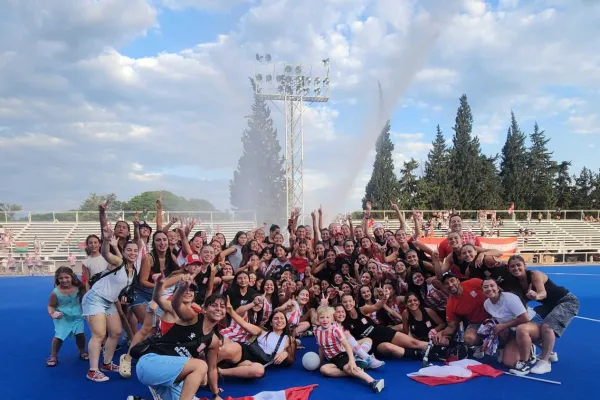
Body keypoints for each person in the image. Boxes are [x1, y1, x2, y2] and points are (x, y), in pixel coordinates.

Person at [132, 275, 224, 400]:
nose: (218, 309)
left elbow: (213, 369)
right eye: (214, 305)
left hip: (173, 374)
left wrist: (216, 395)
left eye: (222, 307)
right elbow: (176, 304)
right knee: (201, 366)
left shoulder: (213, 340)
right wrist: (181, 288)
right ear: (204, 309)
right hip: (151, 362)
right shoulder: (193, 317)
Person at [506, 255, 579, 374]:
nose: (516, 268)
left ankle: (545, 362)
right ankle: (550, 354)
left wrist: (536, 296)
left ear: (525, 266)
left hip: (565, 301)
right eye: (512, 266)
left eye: (518, 265)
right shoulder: (517, 283)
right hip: (548, 306)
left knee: (547, 326)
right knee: (527, 324)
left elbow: (542, 293)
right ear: (508, 269)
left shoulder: (535, 275)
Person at [315, 306, 384, 393]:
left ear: (332, 319)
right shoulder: (317, 331)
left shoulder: (335, 330)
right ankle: (353, 370)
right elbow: (321, 348)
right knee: (324, 370)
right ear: (317, 319)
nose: (325, 320)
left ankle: (373, 381)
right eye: (322, 317)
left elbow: (347, 345)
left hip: (342, 355)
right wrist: (320, 363)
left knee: (349, 367)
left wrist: (351, 360)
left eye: (327, 317)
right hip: (332, 360)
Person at [480, 277, 537, 375]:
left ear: (498, 288)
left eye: (492, 286)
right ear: (482, 290)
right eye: (485, 287)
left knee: (517, 329)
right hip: (512, 329)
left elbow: (524, 318)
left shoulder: (509, 298)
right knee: (509, 363)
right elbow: (498, 317)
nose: (489, 288)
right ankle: (504, 348)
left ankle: (527, 355)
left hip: (528, 324)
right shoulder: (486, 304)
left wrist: (503, 326)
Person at [433, 272, 489, 356]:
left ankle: (501, 347)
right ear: (444, 287)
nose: (450, 284)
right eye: (446, 283)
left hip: (495, 317)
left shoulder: (474, 282)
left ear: (458, 280)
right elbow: (451, 326)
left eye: (452, 280)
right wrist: (441, 333)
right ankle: (480, 345)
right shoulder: (450, 305)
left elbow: (493, 287)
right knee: (468, 338)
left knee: (504, 330)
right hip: (476, 323)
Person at [46, 267, 87, 366]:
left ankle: (82, 351)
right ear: (57, 279)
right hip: (62, 317)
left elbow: (86, 300)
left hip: (77, 316)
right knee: (58, 337)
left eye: (66, 277)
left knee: (80, 334)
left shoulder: (80, 288)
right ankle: (53, 356)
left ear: (72, 277)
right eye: (61, 278)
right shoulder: (55, 292)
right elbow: (51, 305)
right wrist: (52, 313)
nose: (64, 280)